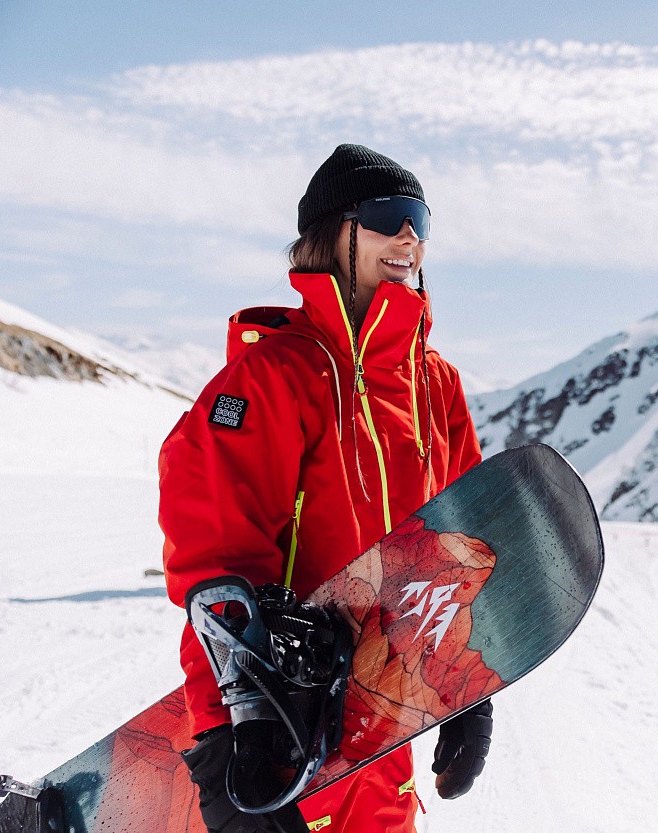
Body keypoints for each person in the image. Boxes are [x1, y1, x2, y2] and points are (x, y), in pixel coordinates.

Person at [158, 144, 493, 833]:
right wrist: (229, 733)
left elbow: (458, 549)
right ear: (329, 234)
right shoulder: (273, 378)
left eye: (420, 221)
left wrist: (467, 692)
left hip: (385, 727)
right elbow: (214, 562)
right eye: (388, 216)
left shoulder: (436, 384)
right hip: (284, 725)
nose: (410, 238)